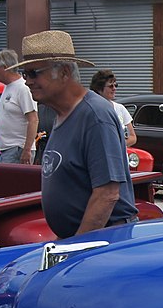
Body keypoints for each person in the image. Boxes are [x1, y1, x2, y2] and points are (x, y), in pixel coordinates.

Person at [13, 30, 136, 239]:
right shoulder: (62, 115)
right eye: (25, 74)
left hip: (102, 244)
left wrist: (75, 248)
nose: (27, 81)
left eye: (34, 73)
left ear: (64, 73)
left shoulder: (95, 116)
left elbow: (107, 194)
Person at [0, 48, 37, 164]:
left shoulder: (23, 88)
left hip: (18, 148)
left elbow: (33, 120)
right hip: (6, 148)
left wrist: (27, 150)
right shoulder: (7, 87)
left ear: (5, 68)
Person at [89, 69, 137, 148]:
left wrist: (116, 147)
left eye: (116, 85)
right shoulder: (91, 109)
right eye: (111, 86)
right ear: (99, 89)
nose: (114, 88)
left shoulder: (120, 108)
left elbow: (132, 137)